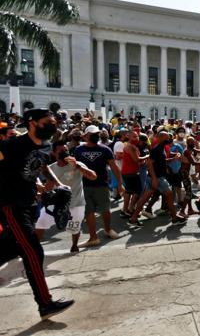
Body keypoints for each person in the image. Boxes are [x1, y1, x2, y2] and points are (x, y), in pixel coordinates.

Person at [0, 108, 75, 318]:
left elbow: (41, 165)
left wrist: (57, 185)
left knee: (8, 249)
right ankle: (45, 303)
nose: (53, 125)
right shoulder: (11, 145)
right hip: (11, 206)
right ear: (32, 123)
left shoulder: (46, 144)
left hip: (30, 204)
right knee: (32, 251)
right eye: (48, 122)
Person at [35, 141, 97, 253]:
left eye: (66, 150)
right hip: (56, 203)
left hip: (76, 203)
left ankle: (74, 245)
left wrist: (78, 166)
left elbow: (93, 176)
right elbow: (48, 187)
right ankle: (33, 248)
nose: (65, 152)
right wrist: (41, 191)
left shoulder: (77, 164)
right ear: (54, 153)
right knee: (41, 222)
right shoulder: (51, 168)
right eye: (61, 151)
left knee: (74, 227)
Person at [74, 125, 124, 247]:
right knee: (89, 211)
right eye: (92, 134)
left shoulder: (105, 149)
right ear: (85, 136)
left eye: (96, 133)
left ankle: (107, 229)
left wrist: (120, 184)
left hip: (102, 185)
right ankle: (93, 237)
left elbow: (114, 167)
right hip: (84, 186)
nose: (95, 136)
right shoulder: (78, 150)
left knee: (105, 209)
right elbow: (74, 169)